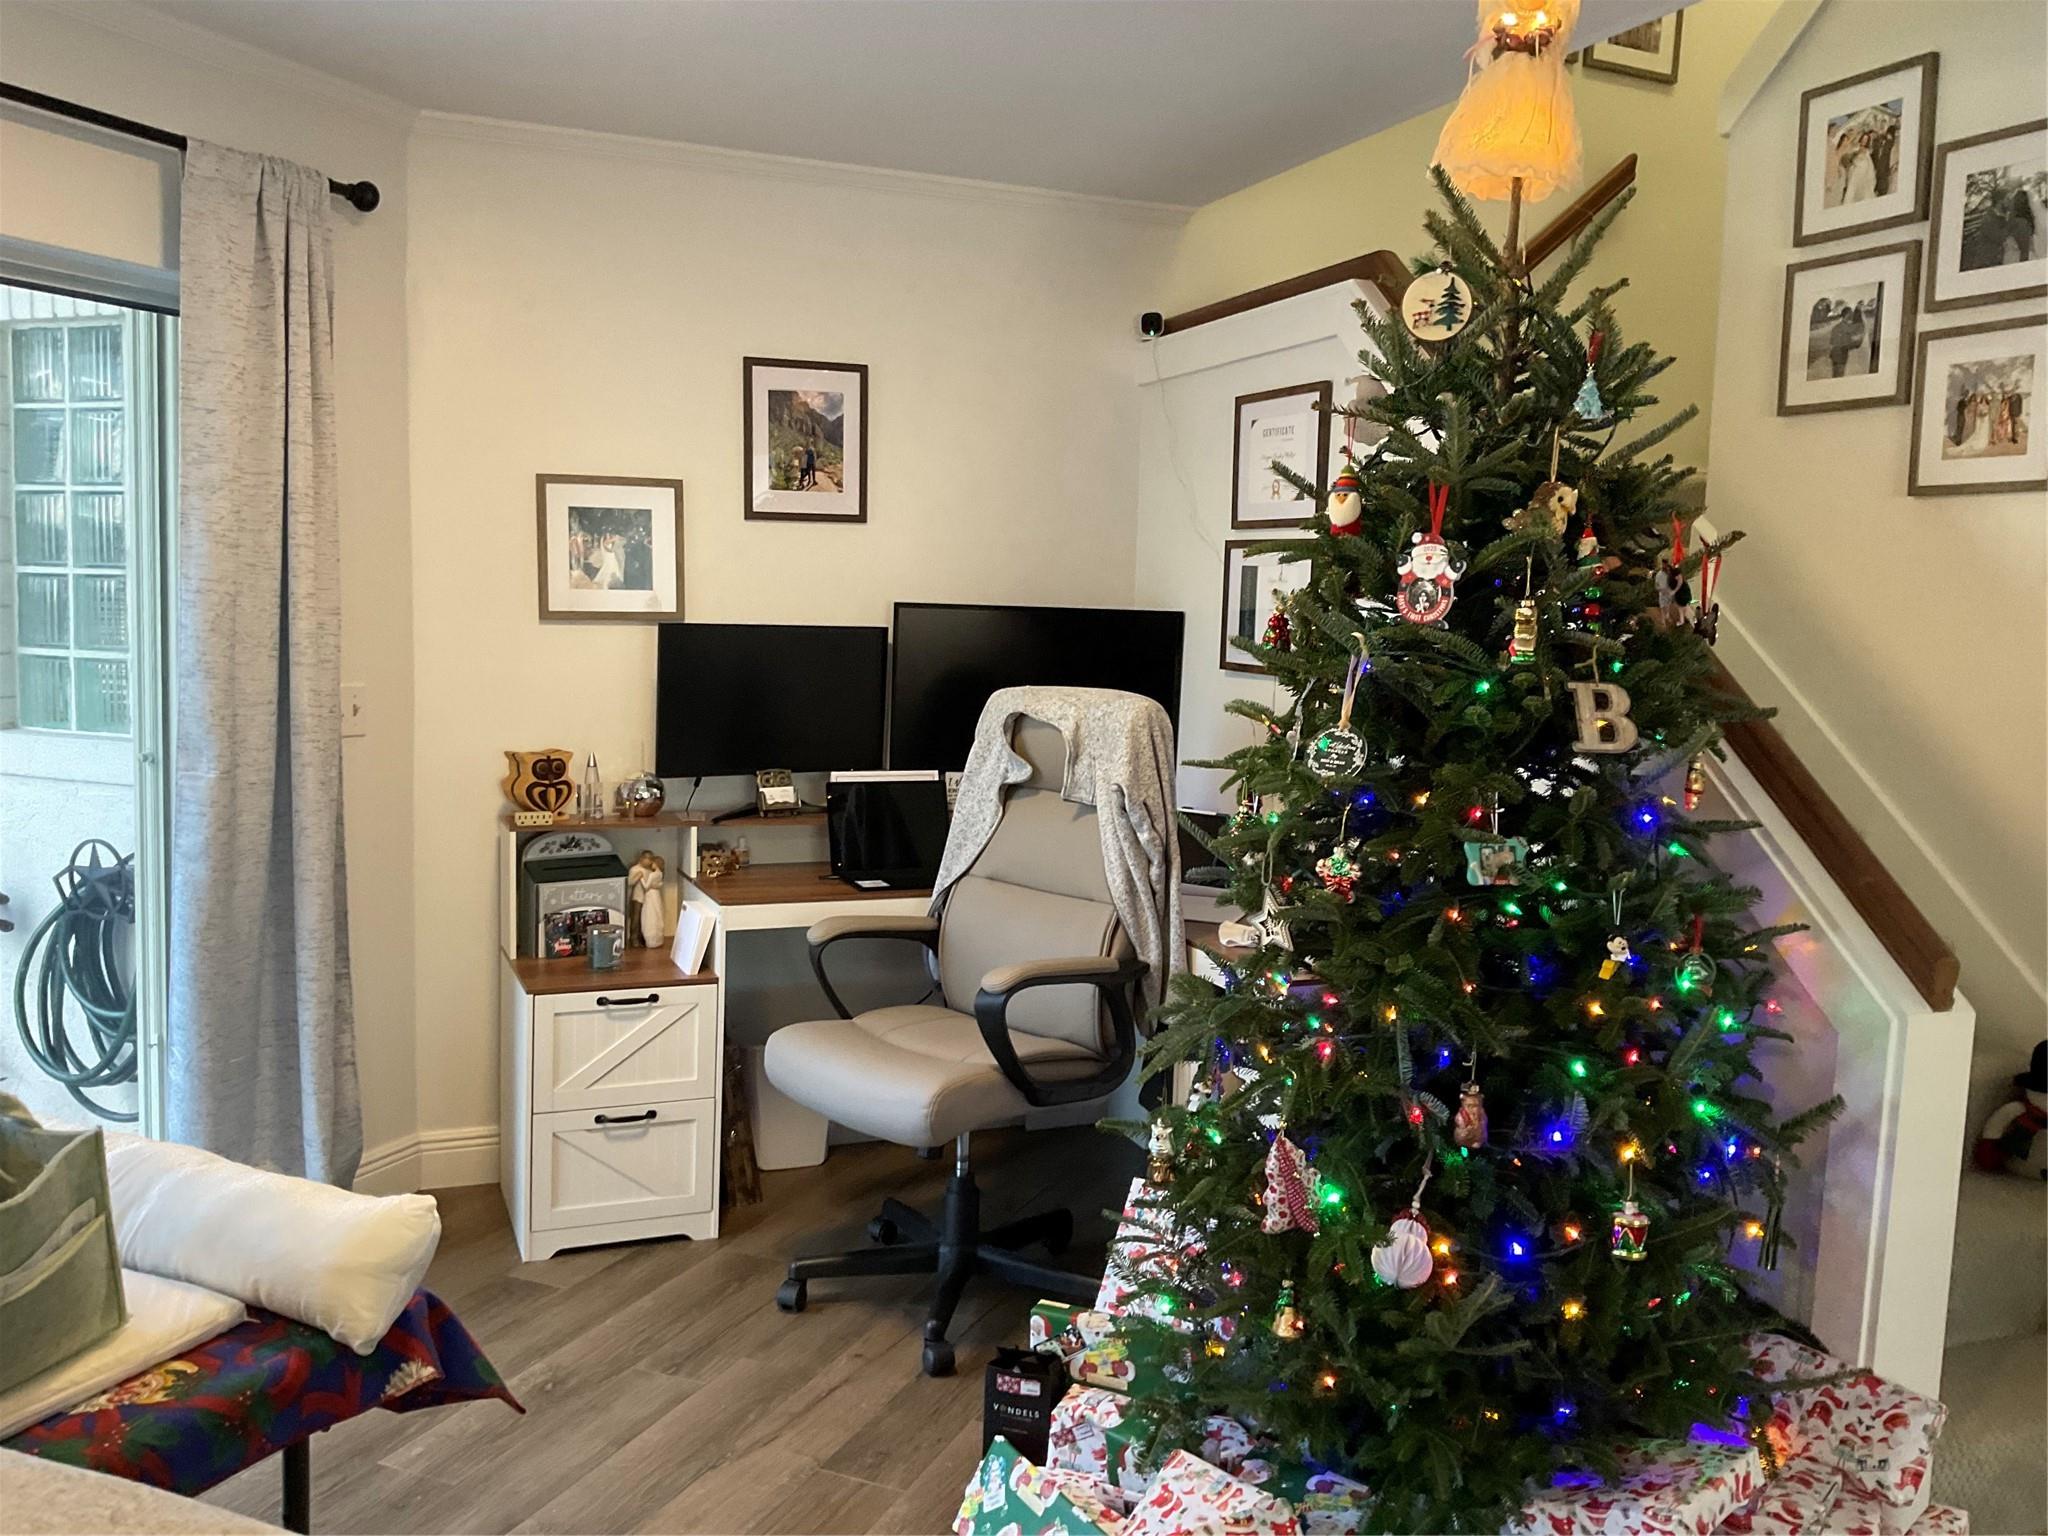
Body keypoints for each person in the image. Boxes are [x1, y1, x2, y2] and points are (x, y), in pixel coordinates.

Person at [1825, 302, 1866, 378]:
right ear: (1847, 315)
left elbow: (1832, 342)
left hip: (1835, 355)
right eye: (1850, 314)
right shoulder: (1846, 327)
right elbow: (1854, 337)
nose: (1852, 316)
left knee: (1836, 375)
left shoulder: (1837, 327)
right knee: (1839, 375)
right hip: (1840, 356)